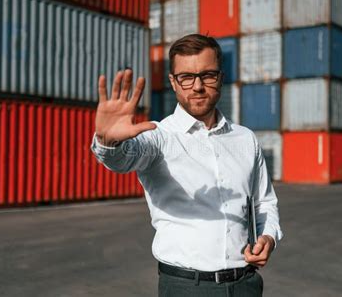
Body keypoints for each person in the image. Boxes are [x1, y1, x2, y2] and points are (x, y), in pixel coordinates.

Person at [91, 34, 283, 296]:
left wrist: (268, 236)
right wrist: (107, 142)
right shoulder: (159, 137)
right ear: (173, 82)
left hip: (246, 284)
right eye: (186, 77)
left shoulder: (246, 139)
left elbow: (264, 203)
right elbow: (124, 157)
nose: (198, 86)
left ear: (221, 77)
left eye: (208, 75)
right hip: (186, 288)